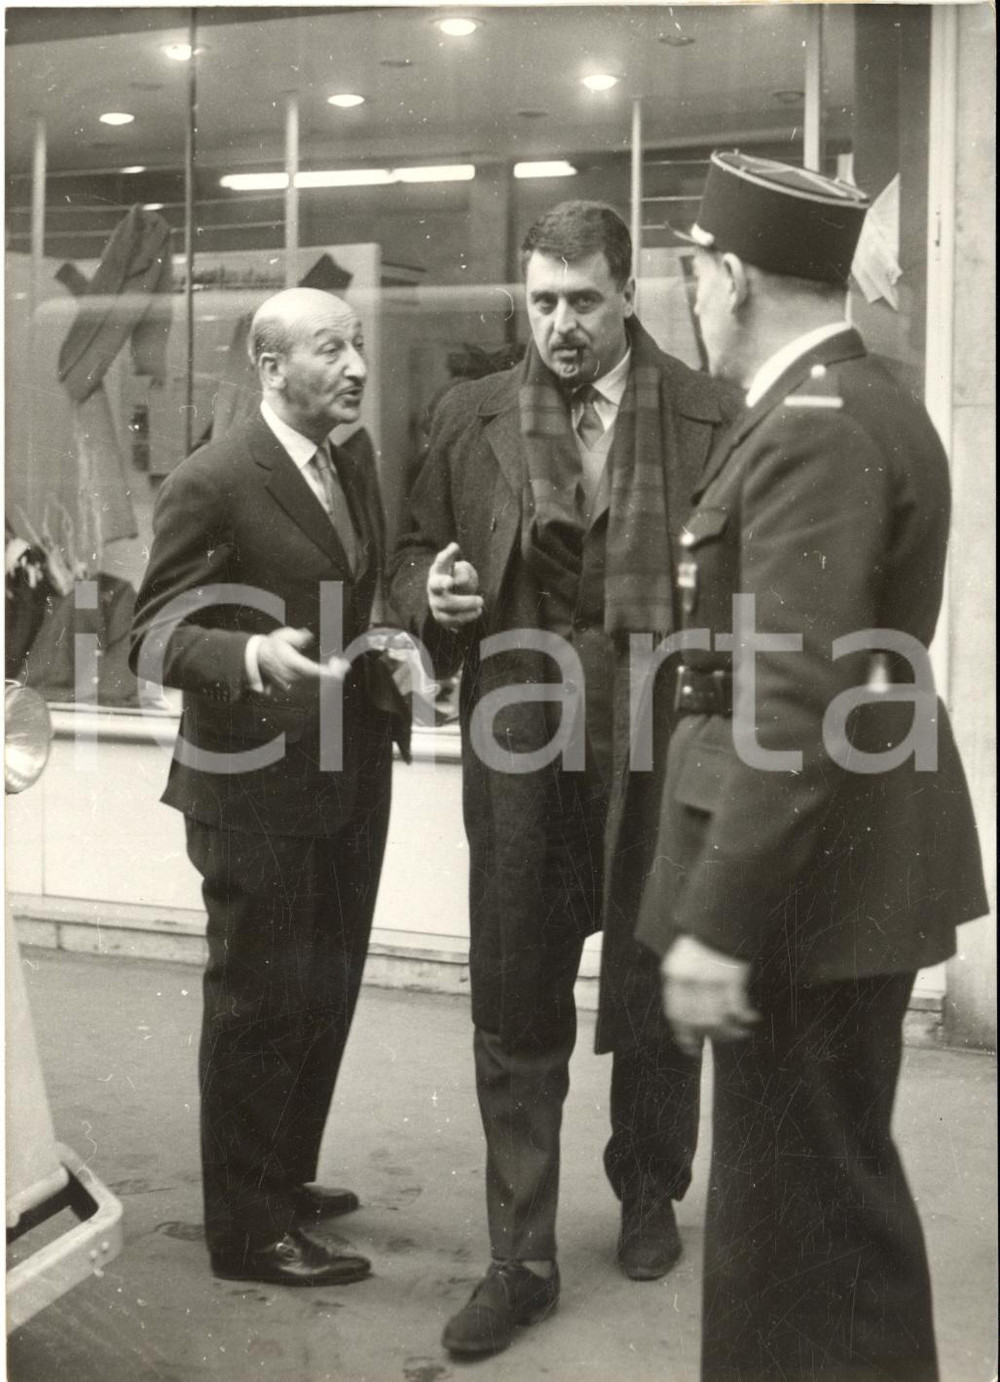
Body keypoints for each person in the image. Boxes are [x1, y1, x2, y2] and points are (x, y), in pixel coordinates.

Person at [635, 152, 988, 1382]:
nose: (686, 296)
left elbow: (791, 706)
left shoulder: (813, 430)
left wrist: (715, 923)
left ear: (729, 276)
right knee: (818, 1215)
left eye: (689, 272)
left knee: (800, 1234)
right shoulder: (863, 403)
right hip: (839, 883)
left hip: (804, 901)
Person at [390, 200, 739, 1358]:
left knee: (655, 976)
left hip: (657, 729)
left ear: (629, 293)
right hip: (523, 734)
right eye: (540, 300)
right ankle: (520, 1251)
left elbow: (742, 583)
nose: (559, 323)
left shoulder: (705, 412)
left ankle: (648, 1188)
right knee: (515, 980)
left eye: (582, 299)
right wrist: (428, 594)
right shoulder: (468, 413)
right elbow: (407, 549)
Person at [130, 287, 409, 1288]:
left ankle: (280, 1177)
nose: (356, 368)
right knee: (258, 1001)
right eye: (331, 350)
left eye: (358, 346)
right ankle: (247, 1232)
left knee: (321, 992)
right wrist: (246, 654)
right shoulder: (212, 478)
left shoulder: (352, 460)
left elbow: (359, 589)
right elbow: (149, 631)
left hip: (348, 772)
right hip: (252, 790)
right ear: (269, 367)